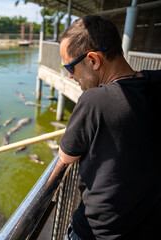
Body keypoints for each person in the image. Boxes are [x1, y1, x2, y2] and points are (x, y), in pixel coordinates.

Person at [57, 15, 161, 239]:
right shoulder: (155, 82)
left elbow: (66, 156)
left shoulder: (94, 100)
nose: (69, 75)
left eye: (70, 67)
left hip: (97, 233)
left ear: (94, 60)